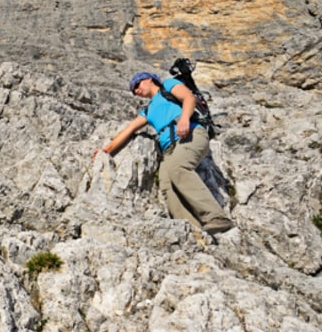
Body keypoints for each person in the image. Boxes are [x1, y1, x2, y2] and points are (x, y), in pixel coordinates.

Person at [93, 71, 234, 234]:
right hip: (168, 150)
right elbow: (129, 129)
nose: (136, 91)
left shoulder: (167, 86)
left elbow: (189, 98)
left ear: (149, 80)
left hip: (190, 134)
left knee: (178, 168)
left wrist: (184, 118)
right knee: (167, 185)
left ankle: (216, 217)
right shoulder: (147, 110)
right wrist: (106, 150)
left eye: (137, 85)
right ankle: (193, 230)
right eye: (133, 91)